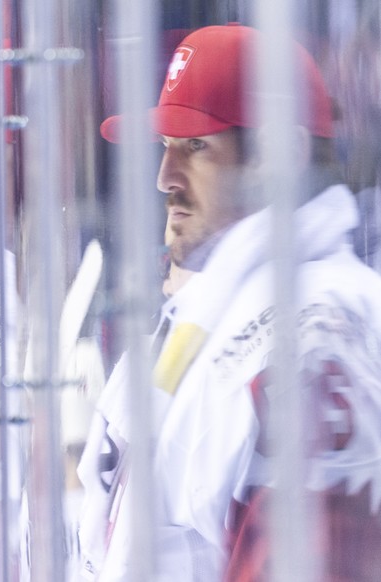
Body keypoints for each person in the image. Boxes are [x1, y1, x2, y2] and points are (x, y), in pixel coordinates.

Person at [77, 24, 381, 581]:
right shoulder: (203, 318)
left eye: (196, 147)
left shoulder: (309, 339)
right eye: (166, 147)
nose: (165, 176)